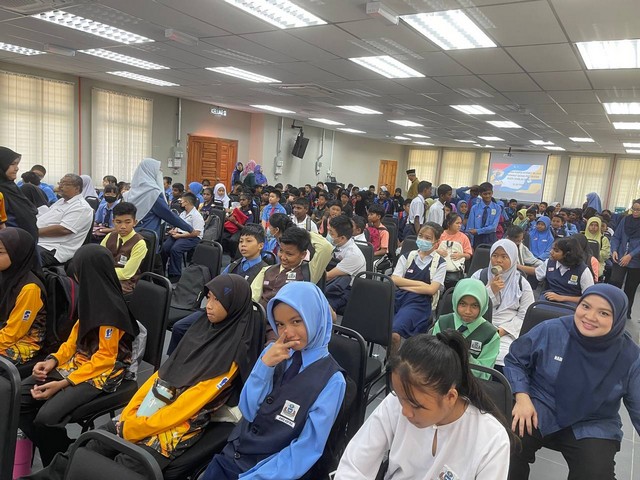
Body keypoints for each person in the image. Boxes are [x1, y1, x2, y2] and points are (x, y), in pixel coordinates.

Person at [202, 281, 346, 480]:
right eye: (280, 324)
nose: (287, 333)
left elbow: (307, 449)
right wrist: (264, 367)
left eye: (296, 321)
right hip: (236, 455)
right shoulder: (273, 353)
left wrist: (257, 477)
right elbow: (248, 410)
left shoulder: (333, 381)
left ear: (315, 317)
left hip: (274, 470)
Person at [505, 284, 640, 480]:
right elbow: (516, 360)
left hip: (594, 421)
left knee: (595, 474)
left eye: (603, 313)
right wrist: (522, 397)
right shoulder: (552, 330)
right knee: (506, 448)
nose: (590, 317)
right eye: (585, 306)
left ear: (618, 318)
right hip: (541, 406)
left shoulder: (630, 356)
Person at [19, 244, 138, 466]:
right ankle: (65, 451)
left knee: (46, 419)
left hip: (104, 373)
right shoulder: (90, 298)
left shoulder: (111, 312)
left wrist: (62, 384)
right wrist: (52, 360)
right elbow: (73, 341)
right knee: (19, 397)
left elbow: (105, 360)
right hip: (79, 364)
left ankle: (61, 464)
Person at [336, 331, 512, 479]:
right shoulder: (396, 403)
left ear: (450, 397)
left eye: (417, 406)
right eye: (400, 398)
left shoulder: (490, 439)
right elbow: (354, 465)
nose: (405, 412)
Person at [471, 240, 534, 369]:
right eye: (495, 256)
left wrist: (501, 331)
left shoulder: (522, 284)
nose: (498, 260)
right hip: (476, 326)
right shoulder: (479, 276)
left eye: (504, 257)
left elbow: (525, 316)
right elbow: (470, 306)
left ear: (513, 259)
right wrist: (490, 291)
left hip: (505, 332)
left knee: (503, 357)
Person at [391, 223, 446, 352]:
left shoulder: (440, 263)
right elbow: (394, 279)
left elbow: (431, 290)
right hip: (398, 298)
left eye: (428, 238)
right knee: (375, 324)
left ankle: (393, 361)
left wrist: (404, 285)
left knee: (394, 333)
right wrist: (422, 285)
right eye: (420, 236)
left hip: (419, 302)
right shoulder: (407, 256)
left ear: (436, 242)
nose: (422, 240)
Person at [0, 227, 46, 366]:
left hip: (24, 342)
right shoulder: (5, 275)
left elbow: (14, 333)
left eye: (0, 252)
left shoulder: (29, 288)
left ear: (17, 254)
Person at [432, 278, 500, 372]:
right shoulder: (442, 323)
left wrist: (464, 354)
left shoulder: (490, 335)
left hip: (471, 380)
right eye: (463, 304)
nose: (468, 311)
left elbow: (484, 373)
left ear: (483, 305)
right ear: (455, 302)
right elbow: (431, 358)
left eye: (474, 306)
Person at [127, 158, 193, 246]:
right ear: (151, 172)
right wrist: (190, 229)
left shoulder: (131, 191)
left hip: (131, 233)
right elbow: (168, 215)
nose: (160, 172)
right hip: (148, 236)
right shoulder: (153, 193)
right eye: (159, 170)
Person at [37, 174, 94, 267]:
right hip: (40, 241)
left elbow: (64, 229)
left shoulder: (81, 207)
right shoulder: (61, 201)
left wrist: (34, 231)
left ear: (77, 188)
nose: (61, 186)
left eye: (65, 184)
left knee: (22, 257)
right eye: (60, 183)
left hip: (53, 248)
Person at [100, 202, 147, 294]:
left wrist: (103, 273)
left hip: (126, 282)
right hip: (106, 276)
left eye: (128, 222)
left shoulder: (139, 243)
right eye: (118, 222)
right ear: (113, 222)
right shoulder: (110, 236)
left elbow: (126, 273)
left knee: (99, 289)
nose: (123, 227)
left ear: (135, 222)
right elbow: (99, 258)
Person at [324, 215, 367, 314]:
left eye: (331, 233)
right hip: (334, 282)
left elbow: (327, 276)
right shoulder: (337, 245)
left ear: (342, 238)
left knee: (321, 307)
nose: (328, 235)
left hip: (347, 289)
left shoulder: (353, 255)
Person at [535, 237, 594, 304]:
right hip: (548, 300)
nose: (551, 252)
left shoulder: (583, 270)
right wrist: (523, 267)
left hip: (570, 305)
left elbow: (589, 298)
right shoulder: (549, 262)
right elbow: (537, 272)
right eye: (552, 249)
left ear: (567, 254)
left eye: (556, 251)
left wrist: (562, 298)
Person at [162, 192, 204, 280]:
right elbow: (179, 225)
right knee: (165, 248)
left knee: (176, 249)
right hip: (180, 235)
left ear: (187, 202)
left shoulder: (197, 216)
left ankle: (175, 274)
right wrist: (174, 230)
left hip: (192, 238)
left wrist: (179, 236)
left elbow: (196, 233)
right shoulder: (183, 213)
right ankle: (161, 271)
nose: (180, 202)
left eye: (182, 201)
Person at [609, 200, 640, 317]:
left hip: (636, 262)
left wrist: (630, 255)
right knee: (615, 284)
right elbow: (616, 237)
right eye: (634, 209)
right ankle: (612, 309)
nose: (635, 212)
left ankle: (626, 312)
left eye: (638, 210)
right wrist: (614, 250)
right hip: (620, 258)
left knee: (630, 288)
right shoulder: (625, 220)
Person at [0, 147, 38, 241]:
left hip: (25, 241)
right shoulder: (2, 191)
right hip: (10, 243)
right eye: (12, 164)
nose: (17, 168)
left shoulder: (10, 186)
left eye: (17, 164)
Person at [439, 212, 473, 289]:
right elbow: (433, 250)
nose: (459, 225)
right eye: (457, 223)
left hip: (455, 269)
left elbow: (468, 255)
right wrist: (439, 251)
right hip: (440, 266)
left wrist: (461, 255)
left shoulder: (464, 237)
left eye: (460, 223)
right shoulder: (440, 235)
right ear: (449, 223)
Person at [466, 182, 500, 247]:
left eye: (489, 193)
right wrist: (470, 244)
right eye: (485, 194)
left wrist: (478, 231)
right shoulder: (475, 208)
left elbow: (493, 227)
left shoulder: (497, 208)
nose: (487, 196)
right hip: (477, 237)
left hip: (491, 237)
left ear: (492, 193)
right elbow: (470, 227)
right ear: (480, 194)